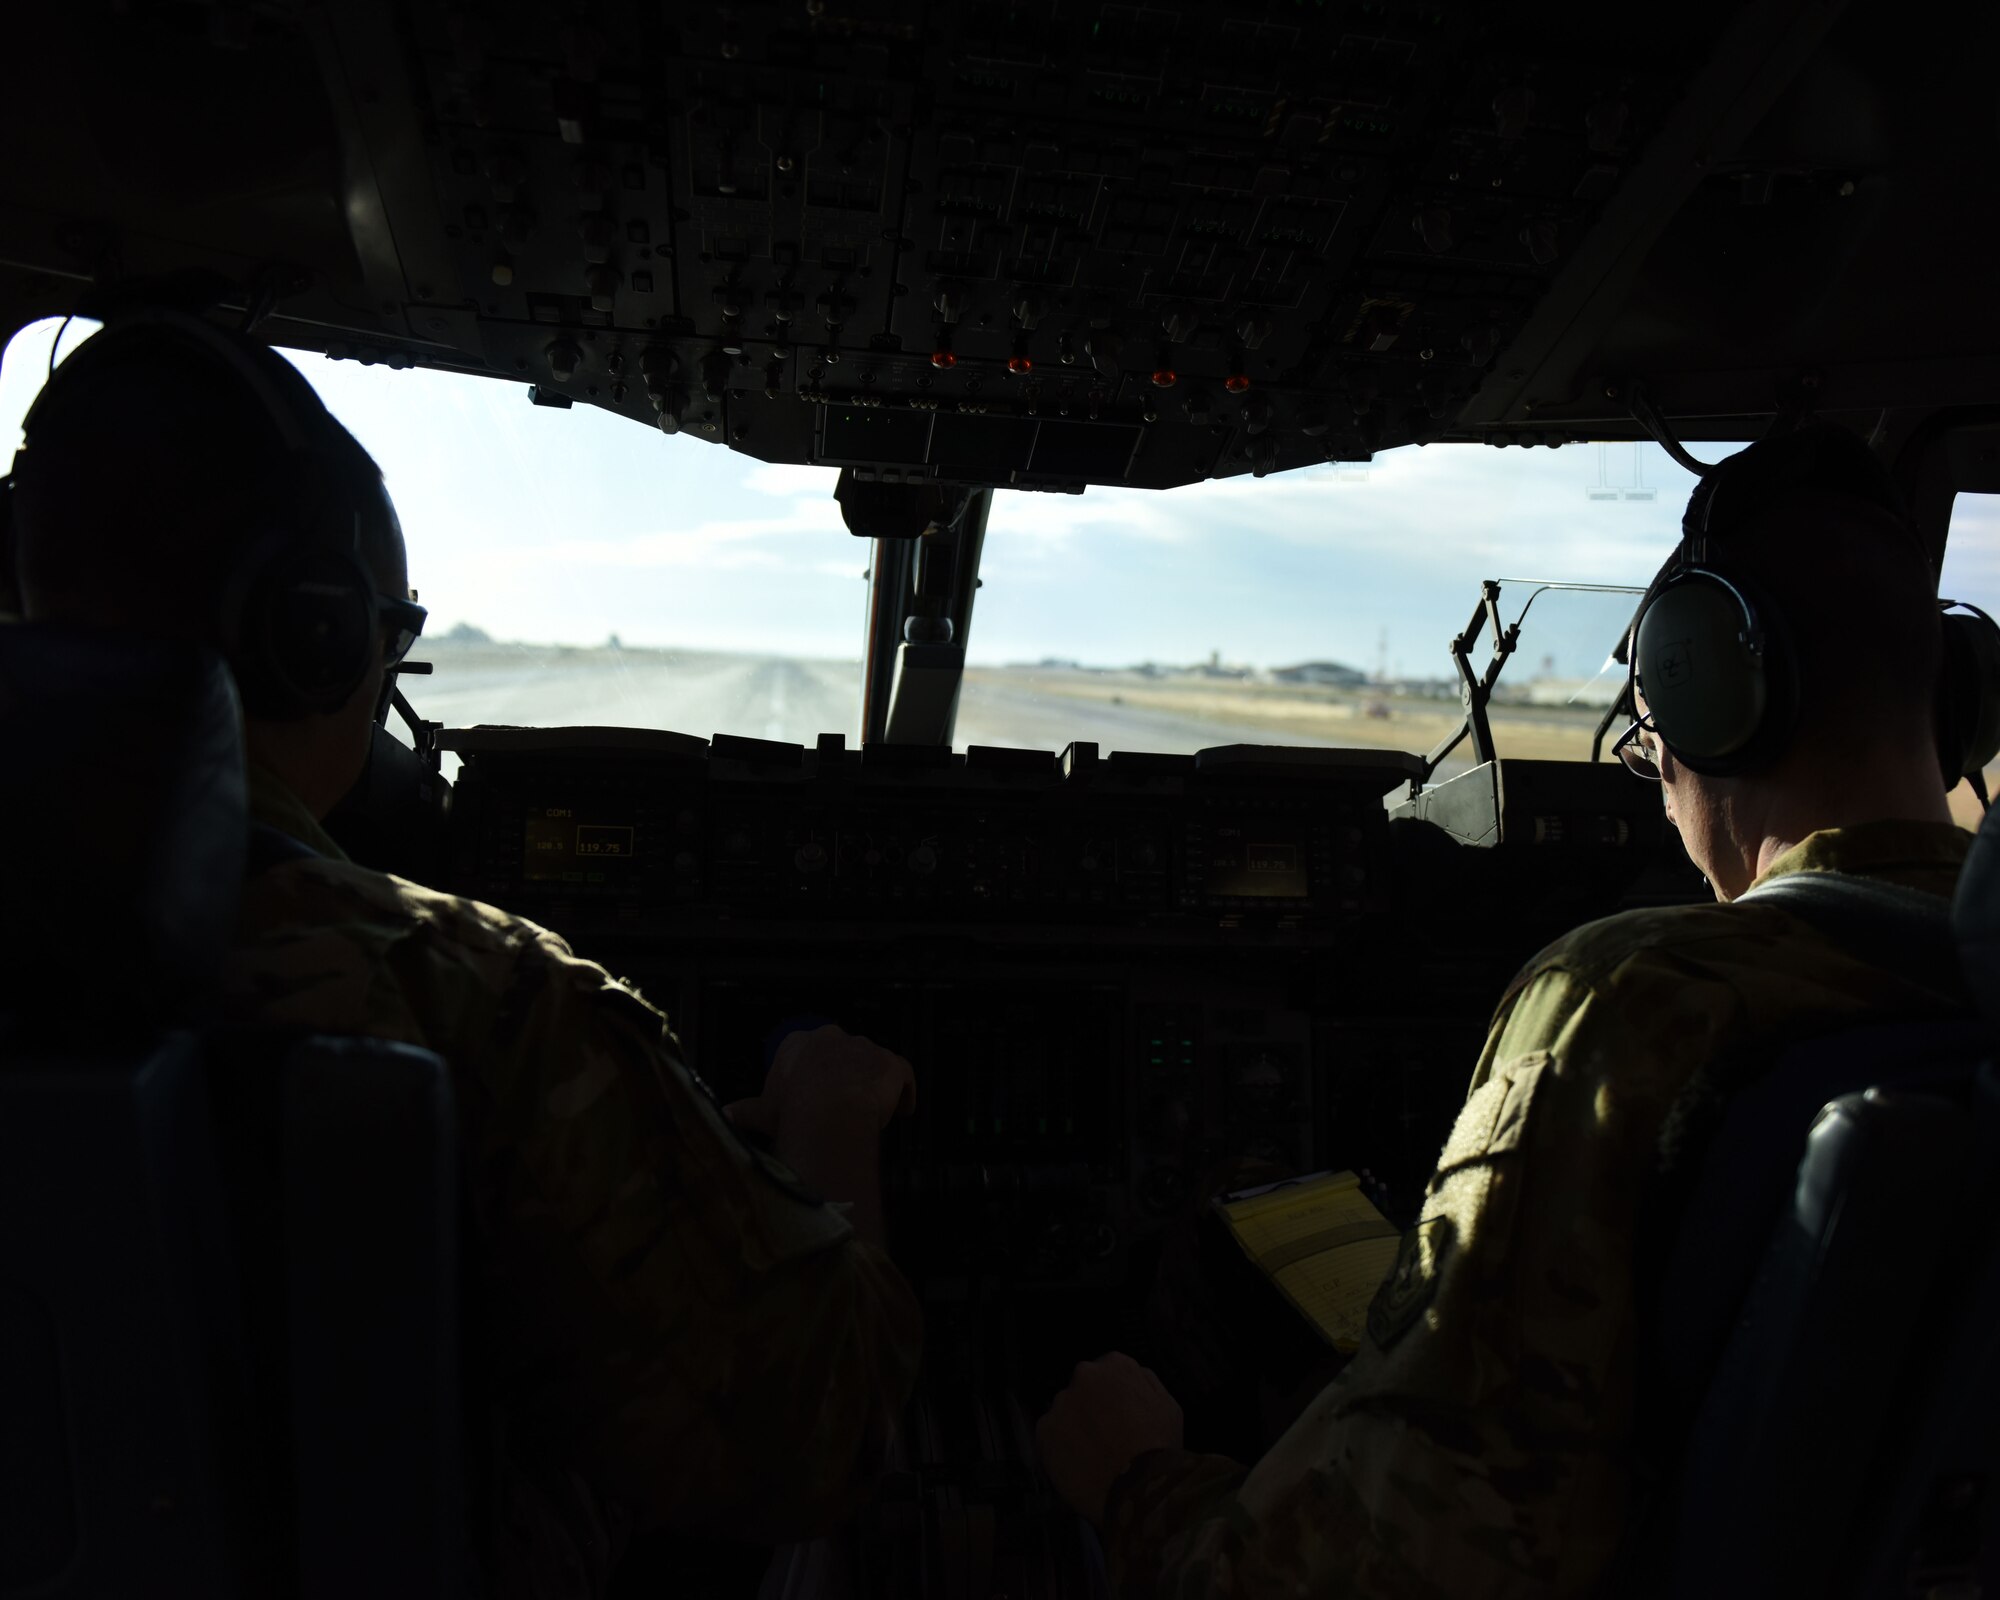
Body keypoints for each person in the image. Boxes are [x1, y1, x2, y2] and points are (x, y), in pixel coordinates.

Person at [6, 311, 923, 1588]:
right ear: (311, 632)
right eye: (388, 629)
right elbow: (831, 1434)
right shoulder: (476, 993)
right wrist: (832, 1126)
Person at [1036, 424, 1978, 1595]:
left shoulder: (1630, 1000)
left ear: (1702, 700)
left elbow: (1396, 1557)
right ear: (1956, 705)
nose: (1660, 780)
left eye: (1646, 738)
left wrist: (1144, 1485)